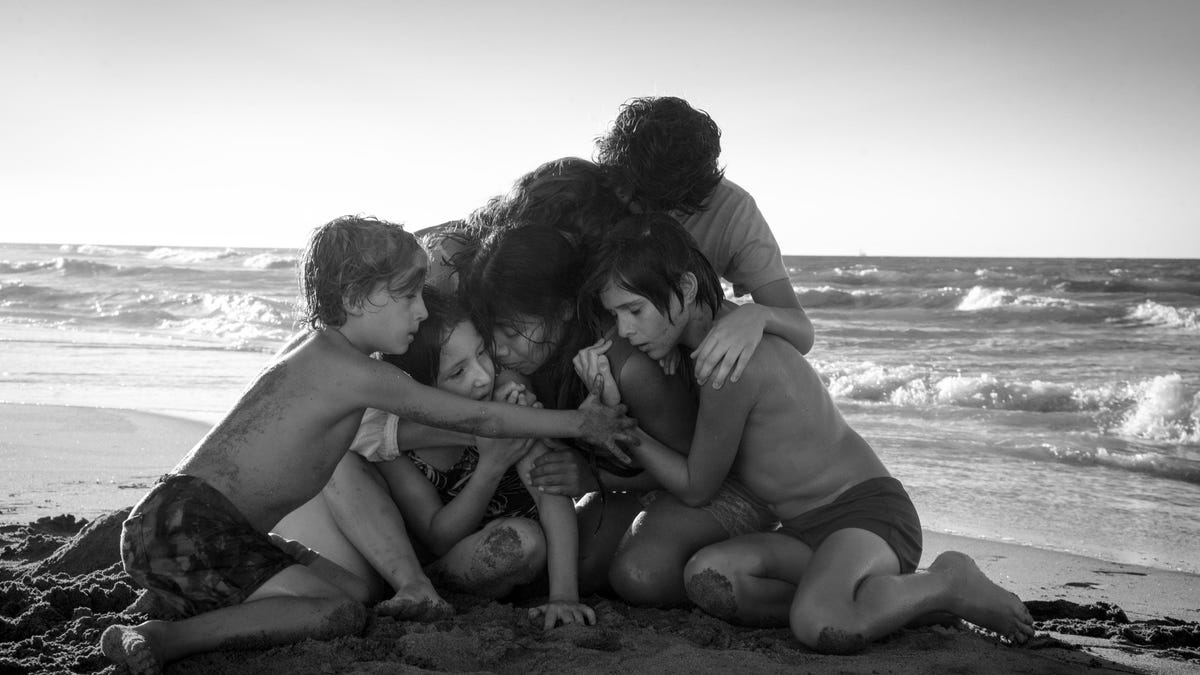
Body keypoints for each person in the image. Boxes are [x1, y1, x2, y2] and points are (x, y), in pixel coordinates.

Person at [99, 215, 636, 674]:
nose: (422, 312)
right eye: (407, 296)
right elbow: (477, 418)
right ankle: (162, 638)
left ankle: (184, 600)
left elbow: (433, 427)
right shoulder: (347, 369)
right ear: (355, 299)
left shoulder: (323, 354)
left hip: (206, 525)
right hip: (186, 524)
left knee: (357, 594)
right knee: (337, 614)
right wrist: (582, 424)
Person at [576, 212, 1035, 654]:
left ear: (686, 287)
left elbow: (697, 488)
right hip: (801, 531)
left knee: (819, 624)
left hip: (864, 516)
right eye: (616, 316)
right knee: (708, 579)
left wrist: (618, 430)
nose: (625, 330)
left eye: (634, 310)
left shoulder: (727, 362)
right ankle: (892, 603)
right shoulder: (718, 331)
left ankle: (946, 580)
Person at [462, 223, 776, 606]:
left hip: (715, 490)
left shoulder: (628, 364)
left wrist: (594, 477)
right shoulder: (527, 362)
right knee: (571, 569)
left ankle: (768, 560)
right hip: (640, 489)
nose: (500, 350)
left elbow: (695, 476)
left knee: (640, 574)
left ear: (561, 311)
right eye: (492, 335)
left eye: (512, 332)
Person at [370, 288, 595, 629]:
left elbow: (551, 497)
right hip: (464, 563)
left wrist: (564, 596)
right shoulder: (396, 451)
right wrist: (491, 466)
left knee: (535, 540)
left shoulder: (505, 410)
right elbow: (438, 536)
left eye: (482, 353)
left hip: (537, 568)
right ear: (419, 392)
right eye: (457, 372)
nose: (482, 376)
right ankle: (431, 587)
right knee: (520, 541)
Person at [595, 95, 815, 389]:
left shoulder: (733, 211)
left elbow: (802, 334)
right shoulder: (610, 188)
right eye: (631, 198)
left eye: (662, 206)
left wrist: (756, 316)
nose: (645, 215)